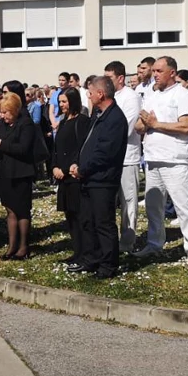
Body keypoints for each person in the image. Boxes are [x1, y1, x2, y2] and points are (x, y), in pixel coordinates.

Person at [135, 56, 188, 263]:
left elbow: (185, 126)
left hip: (175, 159)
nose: (154, 74)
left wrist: (155, 123)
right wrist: (146, 124)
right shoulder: (150, 95)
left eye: (158, 71)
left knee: (184, 205)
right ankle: (155, 243)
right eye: (153, 70)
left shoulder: (183, 95)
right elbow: (139, 126)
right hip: (153, 158)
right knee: (154, 206)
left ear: (172, 72)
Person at [70, 76, 127, 279]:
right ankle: (91, 258)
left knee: (103, 223)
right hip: (88, 178)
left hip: (102, 179)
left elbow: (105, 153)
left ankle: (108, 265)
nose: (89, 95)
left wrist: (83, 168)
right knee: (87, 221)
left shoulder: (115, 118)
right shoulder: (99, 114)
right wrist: (78, 163)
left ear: (101, 94)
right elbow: (88, 143)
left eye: (91, 92)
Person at [0, 92, 36, 260]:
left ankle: (24, 247)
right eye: (2, 112)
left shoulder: (26, 123)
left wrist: (1, 145)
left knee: (22, 210)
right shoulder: (3, 125)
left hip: (21, 172)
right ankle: (11, 246)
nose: (3, 116)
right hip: (6, 171)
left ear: (14, 110)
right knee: (10, 210)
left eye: (6, 112)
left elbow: (23, 148)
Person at [104, 60, 142, 252]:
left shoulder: (131, 97)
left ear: (120, 78)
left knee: (128, 201)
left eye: (109, 77)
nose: (106, 81)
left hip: (127, 156)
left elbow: (124, 128)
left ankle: (127, 241)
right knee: (109, 199)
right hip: (109, 158)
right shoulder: (109, 96)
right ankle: (109, 239)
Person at [51, 88, 90, 264]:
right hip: (62, 176)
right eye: (60, 102)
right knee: (70, 216)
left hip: (73, 175)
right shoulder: (64, 121)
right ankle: (77, 251)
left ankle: (85, 252)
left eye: (64, 101)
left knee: (80, 216)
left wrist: (65, 169)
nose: (61, 105)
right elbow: (57, 148)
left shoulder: (81, 121)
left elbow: (81, 148)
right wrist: (54, 167)